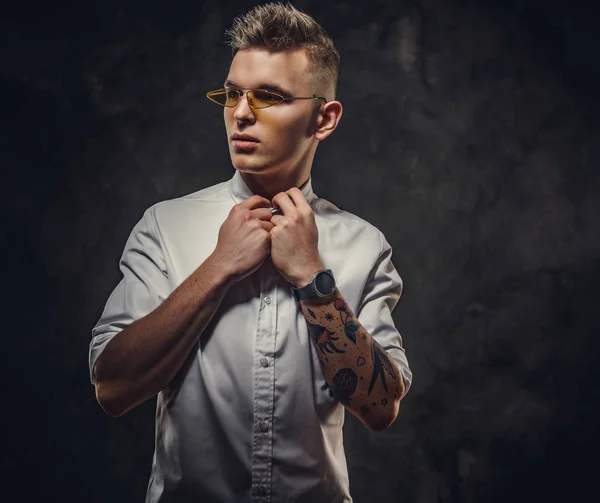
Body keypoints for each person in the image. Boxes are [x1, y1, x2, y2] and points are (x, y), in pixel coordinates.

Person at [89, 3, 412, 502]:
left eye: (269, 97)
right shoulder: (165, 227)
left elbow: (380, 408)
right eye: (234, 93)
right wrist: (219, 267)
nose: (240, 112)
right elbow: (112, 389)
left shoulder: (363, 246)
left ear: (323, 118)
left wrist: (312, 277)